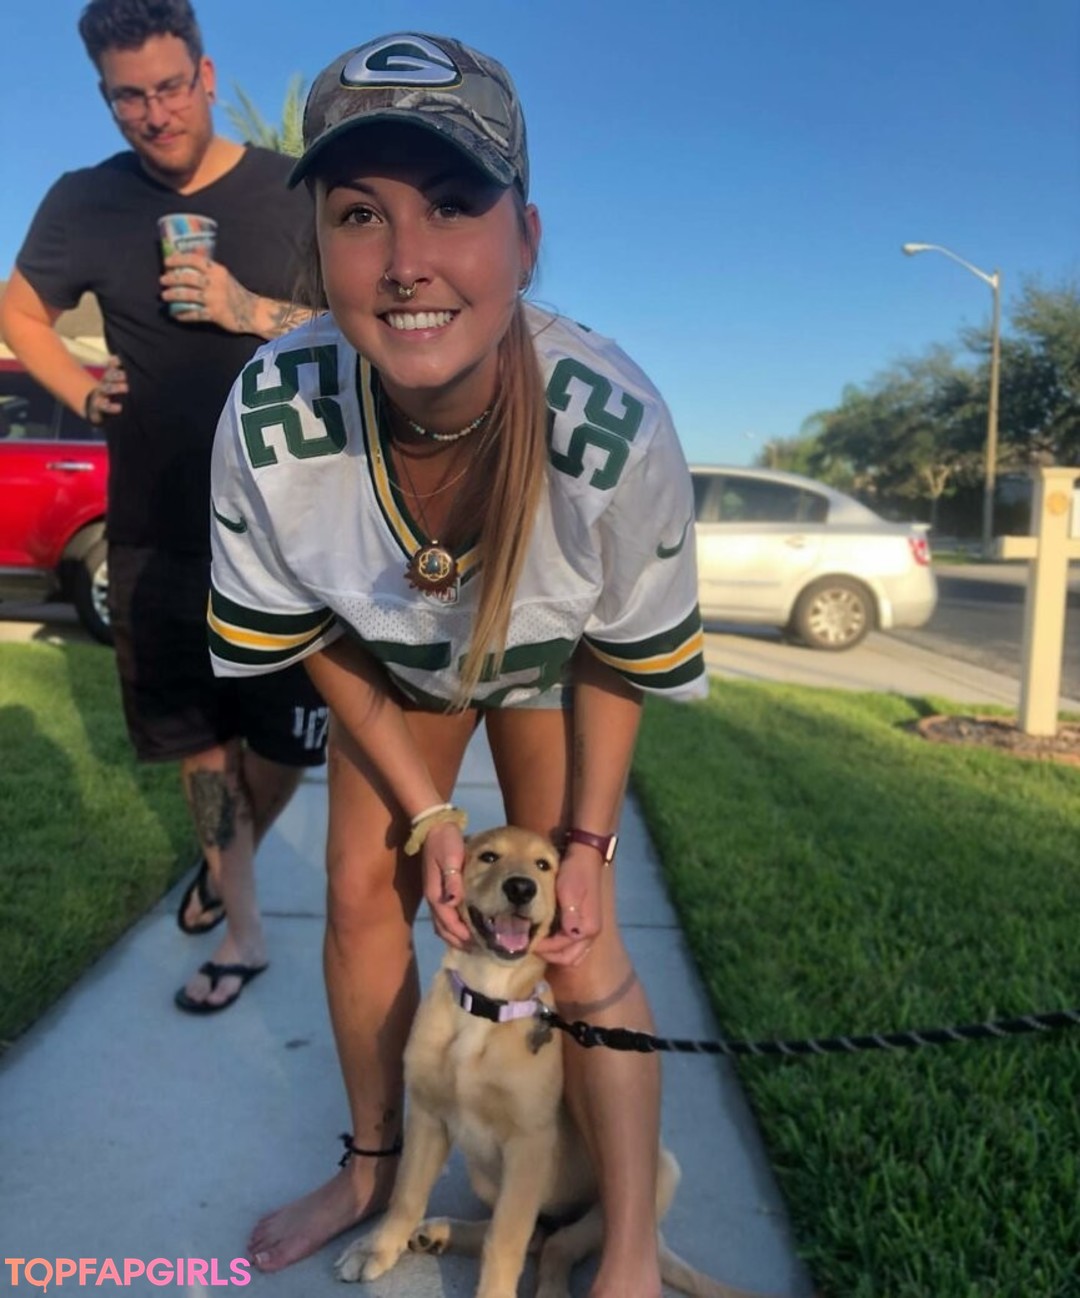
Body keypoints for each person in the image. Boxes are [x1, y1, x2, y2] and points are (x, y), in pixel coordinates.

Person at [207, 32, 707, 1297]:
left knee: (580, 933)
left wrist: (587, 841)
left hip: (550, 658)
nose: (406, 257)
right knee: (360, 887)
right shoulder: (269, 418)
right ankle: (373, 1165)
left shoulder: (617, 424)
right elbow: (307, 633)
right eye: (359, 213)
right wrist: (430, 811)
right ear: (316, 247)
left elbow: (617, 649)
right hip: (389, 664)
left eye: (451, 204)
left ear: (526, 240)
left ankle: (629, 1249)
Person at [0, 0, 328, 1013]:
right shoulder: (84, 201)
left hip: (290, 537)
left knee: (287, 742)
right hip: (157, 525)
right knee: (200, 742)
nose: (155, 112)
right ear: (107, 98)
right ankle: (242, 927)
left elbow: (360, 328)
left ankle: (230, 863)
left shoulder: (293, 191)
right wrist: (79, 386)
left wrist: (246, 308)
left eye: (171, 86)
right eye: (128, 96)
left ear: (207, 74)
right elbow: (20, 310)